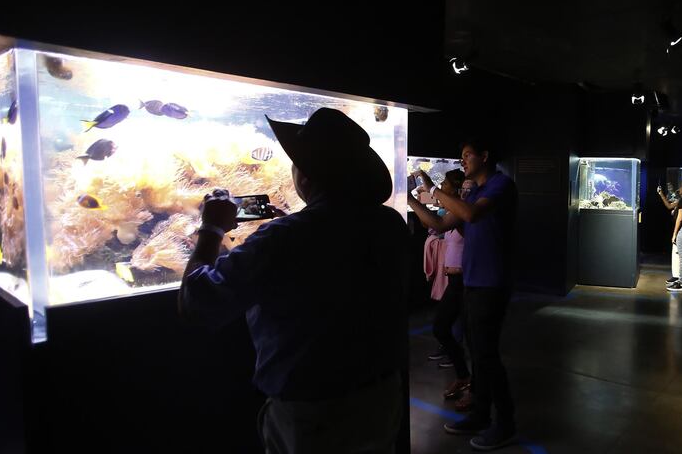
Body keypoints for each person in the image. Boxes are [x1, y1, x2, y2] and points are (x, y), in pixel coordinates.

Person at [178, 108, 409, 454]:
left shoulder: (284, 238)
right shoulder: (390, 223)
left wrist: (211, 227)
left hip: (314, 416)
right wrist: (292, 226)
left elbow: (197, 304)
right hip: (382, 397)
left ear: (306, 176)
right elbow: (337, 259)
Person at [408, 138, 518, 451]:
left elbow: (471, 215)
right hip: (472, 282)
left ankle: (505, 424)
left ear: (485, 156)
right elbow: (440, 222)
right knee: (478, 354)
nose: (463, 161)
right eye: (461, 156)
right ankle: (480, 415)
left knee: (486, 355)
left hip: (491, 283)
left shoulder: (501, 185)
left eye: (468, 155)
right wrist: (410, 201)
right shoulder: (474, 192)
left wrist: (433, 190)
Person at [411, 169, 473, 408]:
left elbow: (436, 223)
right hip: (455, 281)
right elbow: (433, 220)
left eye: (445, 183)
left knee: (468, 335)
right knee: (442, 327)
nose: (442, 186)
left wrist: (410, 200)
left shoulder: (460, 212)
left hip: (465, 281)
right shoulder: (453, 209)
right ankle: (464, 376)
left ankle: (473, 386)